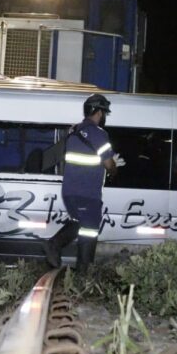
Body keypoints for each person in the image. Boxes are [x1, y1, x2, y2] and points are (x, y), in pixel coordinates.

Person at [42, 93, 125, 271]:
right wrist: (114, 168)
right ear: (99, 112)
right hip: (87, 193)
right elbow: (109, 164)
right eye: (104, 113)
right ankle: (81, 271)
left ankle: (57, 248)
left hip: (70, 192)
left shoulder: (74, 131)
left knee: (80, 223)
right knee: (90, 231)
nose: (104, 116)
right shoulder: (99, 134)